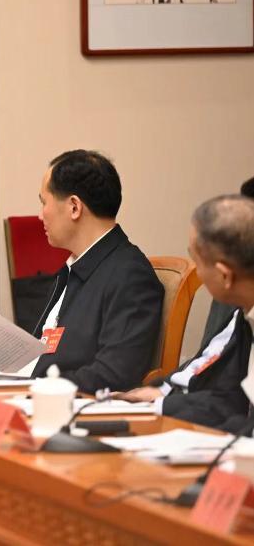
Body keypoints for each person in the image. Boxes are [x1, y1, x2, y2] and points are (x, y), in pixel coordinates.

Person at [116, 189, 254, 432]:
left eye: (198, 262)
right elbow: (230, 398)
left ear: (224, 275)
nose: (197, 273)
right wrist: (160, 402)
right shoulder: (244, 316)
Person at [29, 150, 164, 393]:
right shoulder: (74, 268)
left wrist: (41, 388)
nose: (40, 215)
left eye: (44, 202)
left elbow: (115, 373)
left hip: (66, 405)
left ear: (74, 207)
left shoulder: (130, 275)